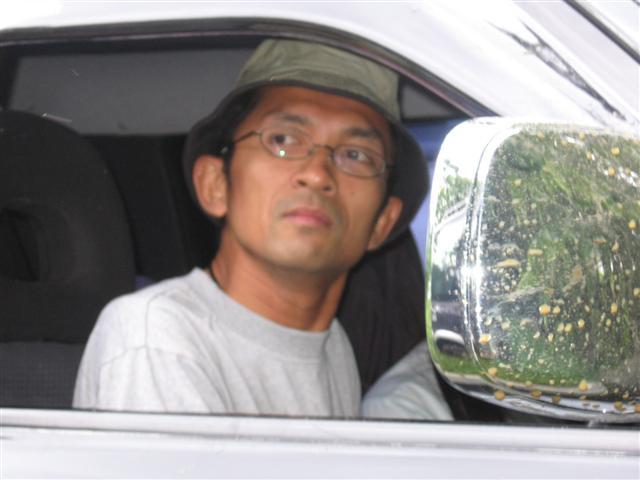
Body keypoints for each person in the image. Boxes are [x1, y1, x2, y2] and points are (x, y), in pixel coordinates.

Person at [73, 39, 428, 416]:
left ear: (382, 222)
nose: (317, 174)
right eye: (282, 140)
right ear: (216, 184)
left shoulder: (331, 345)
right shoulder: (157, 337)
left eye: (356, 155)